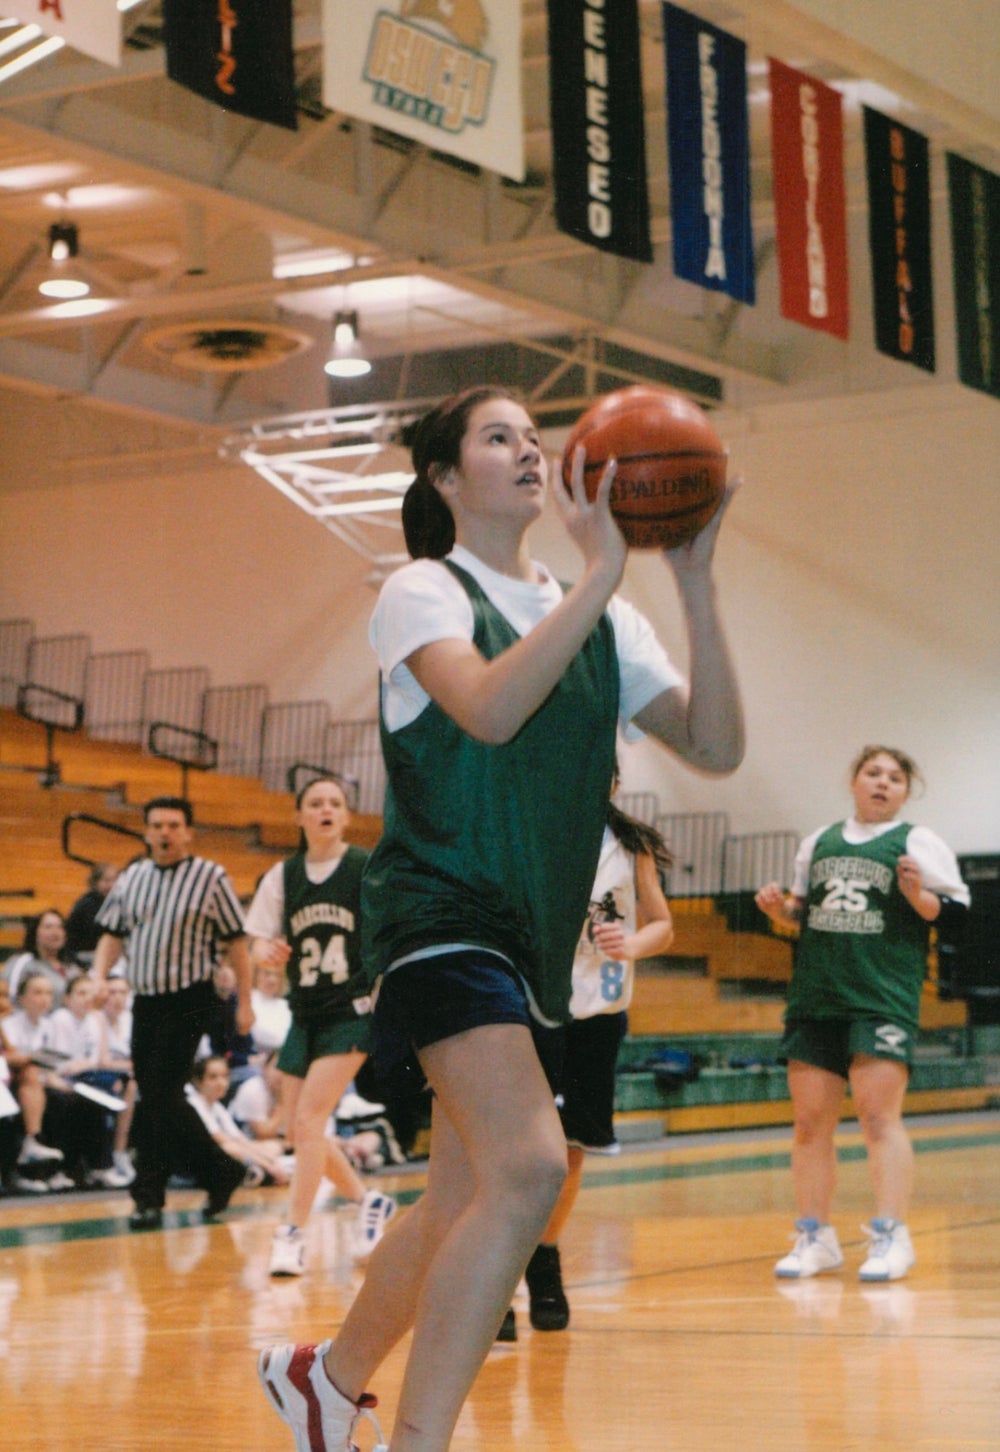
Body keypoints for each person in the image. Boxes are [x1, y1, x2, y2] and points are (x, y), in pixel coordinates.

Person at [256, 384, 743, 1452]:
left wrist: (691, 581)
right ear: (443, 476)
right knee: (529, 1168)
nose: (529, 450)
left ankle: (324, 1381)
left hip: (535, 939)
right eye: (498, 438)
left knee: (460, 1197)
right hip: (439, 911)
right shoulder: (423, 588)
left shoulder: (607, 616)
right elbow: (485, 708)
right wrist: (603, 572)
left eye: (536, 435)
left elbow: (714, 745)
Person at [755, 745, 969, 1284]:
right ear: (853, 781)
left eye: (895, 778)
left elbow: (957, 913)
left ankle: (893, 1234)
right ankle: (814, 1236)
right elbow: (804, 913)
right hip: (817, 994)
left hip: (880, 995)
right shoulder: (818, 841)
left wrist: (918, 894)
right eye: (873, 773)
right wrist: (778, 909)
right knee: (809, 1123)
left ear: (904, 792)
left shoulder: (918, 842)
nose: (882, 783)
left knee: (878, 1118)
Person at [500, 777, 675, 1338]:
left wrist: (634, 944)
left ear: (617, 779)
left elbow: (662, 924)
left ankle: (544, 1260)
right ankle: (496, 1276)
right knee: (518, 1150)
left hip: (599, 1012)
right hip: (536, 1006)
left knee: (573, 1145)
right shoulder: (528, 832)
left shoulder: (632, 843)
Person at [244, 775, 397, 1278]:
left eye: (335, 803)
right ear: (300, 816)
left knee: (309, 1122)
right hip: (304, 1012)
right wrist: (262, 951)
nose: (326, 809)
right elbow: (256, 941)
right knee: (297, 1129)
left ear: (347, 816)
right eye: (316, 803)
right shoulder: (282, 876)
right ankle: (368, 1200)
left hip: (351, 1011)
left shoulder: (364, 867)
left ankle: (292, 1233)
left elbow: (390, 931)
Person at [90, 796, 253, 1231]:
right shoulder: (133, 878)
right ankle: (219, 1170)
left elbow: (237, 943)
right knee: (159, 1098)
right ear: (146, 831)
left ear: (188, 832)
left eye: (174, 825)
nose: (165, 832)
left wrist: (248, 1002)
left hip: (190, 997)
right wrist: (98, 975)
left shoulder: (210, 877)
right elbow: (112, 933)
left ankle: (149, 1195)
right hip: (146, 999)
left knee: (160, 1095)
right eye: (157, 824)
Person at [180, 1054, 291, 1219]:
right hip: (189, 1170)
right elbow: (221, 1140)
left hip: (232, 1155)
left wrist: (270, 1162)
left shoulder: (217, 1106)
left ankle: (260, 1172)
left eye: (225, 1076)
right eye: (213, 1077)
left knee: (270, 1147)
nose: (221, 1083)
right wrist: (269, 1165)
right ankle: (259, 1173)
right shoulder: (194, 1104)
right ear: (197, 1081)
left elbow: (241, 1140)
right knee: (230, 1149)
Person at [1, 971, 76, 1191]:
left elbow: (57, 1062)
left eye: (48, 993)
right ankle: (21, 1161)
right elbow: (12, 1059)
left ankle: (50, 1169)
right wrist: (31, 1059)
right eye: (37, 992)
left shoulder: (49, 1025)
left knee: (63, 1099)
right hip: (14, 1083)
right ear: (21, 998)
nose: (44, 998)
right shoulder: (10, 1024)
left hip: (31, 1084)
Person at [2, 909, 73, 1006]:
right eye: (48, 927)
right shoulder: (23, 962)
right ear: (35, 932)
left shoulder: (71, 967)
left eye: (60, 927)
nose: (55, 932)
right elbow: (9, 995)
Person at [64, 863, 119, 964]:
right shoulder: (87, 904)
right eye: (107, 881)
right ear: (95, 883)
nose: (112, 885)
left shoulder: (115, 903)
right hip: (84, 954)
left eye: (115, 880)